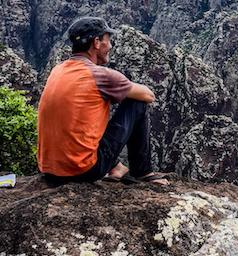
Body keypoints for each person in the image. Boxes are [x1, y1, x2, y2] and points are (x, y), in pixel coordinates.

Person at [37, 16, 168, 185]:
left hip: (49, 170)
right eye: (108, 41)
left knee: (89, 115)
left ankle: (116, 167)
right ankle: (143, 173)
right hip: (82, 171)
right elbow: (148, 95)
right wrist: (120, 89)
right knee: (137, 103)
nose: (111, 46)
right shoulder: (99, 75)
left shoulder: (58, 70)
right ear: (97, 43)